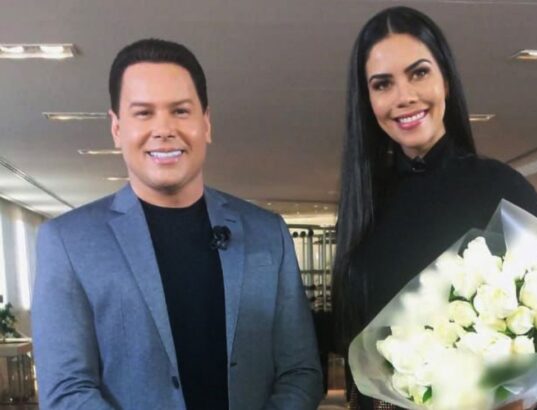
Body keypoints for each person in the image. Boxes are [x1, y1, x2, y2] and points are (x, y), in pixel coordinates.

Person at [32, 38, 322, 410]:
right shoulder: (67, 242)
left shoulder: (268, 233)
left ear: (206, 123)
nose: (164, 128)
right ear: (117, 128)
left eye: (180, 111)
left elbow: (301, 371)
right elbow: (66, 391)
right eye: (143, 113)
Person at [331, 7, 537, 410]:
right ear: (368, 101)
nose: (404, 97)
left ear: (445, 80)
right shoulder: (364, 205)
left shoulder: (502, 189)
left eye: (419, 73)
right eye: (382, 84)